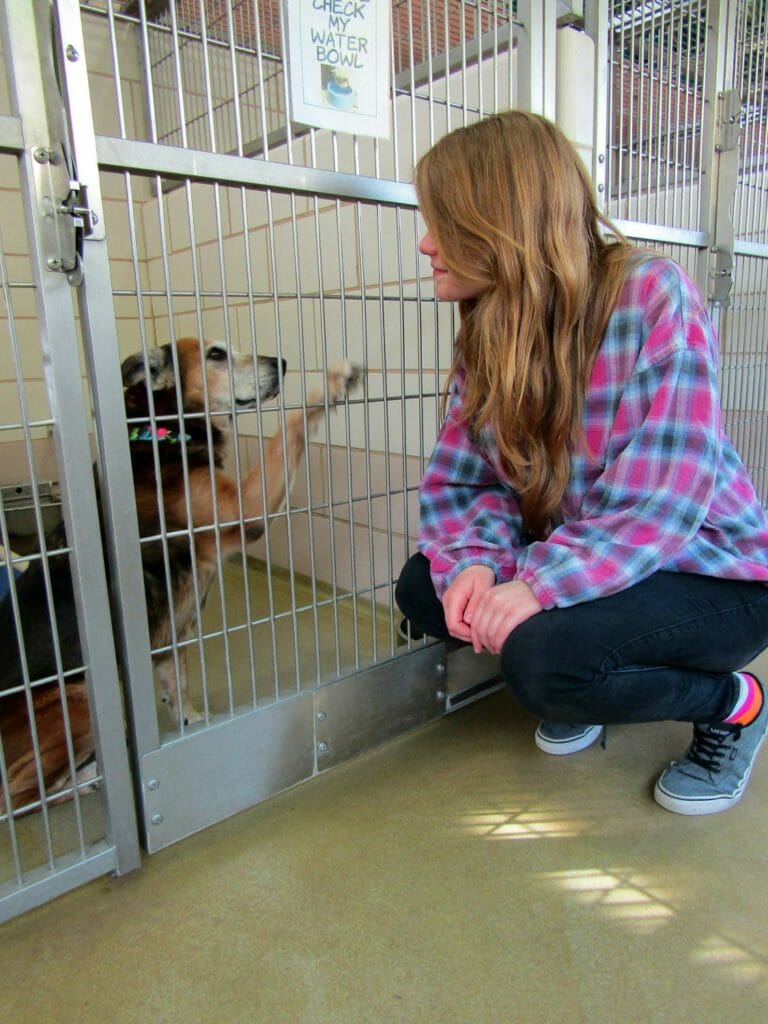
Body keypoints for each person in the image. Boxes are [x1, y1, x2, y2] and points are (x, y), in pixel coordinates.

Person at [395, 110, 768, 816]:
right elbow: (466, 477)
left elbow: (660, 503)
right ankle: (589, 665)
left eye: (440, 222)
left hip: (713, 574)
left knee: (544, 659)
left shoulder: (655, 295)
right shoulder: (490, 326)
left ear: (498, 221)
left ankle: (733, 704)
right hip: (606, 555)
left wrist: (539, 585)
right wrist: (474, 561)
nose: (425, 244)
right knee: (426, 589)